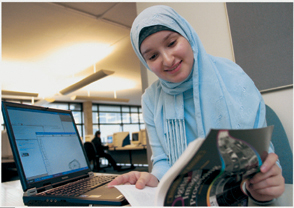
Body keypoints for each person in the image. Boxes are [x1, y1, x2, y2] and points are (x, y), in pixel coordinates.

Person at [108, 5, 285, 203]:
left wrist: (265, 182)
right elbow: (162, 160)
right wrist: (153, 179)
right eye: (153, 56)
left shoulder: (233, 77)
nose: (167, 60)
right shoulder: (151, 99)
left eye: (172, 43)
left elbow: (260, 150)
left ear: (187, 35)